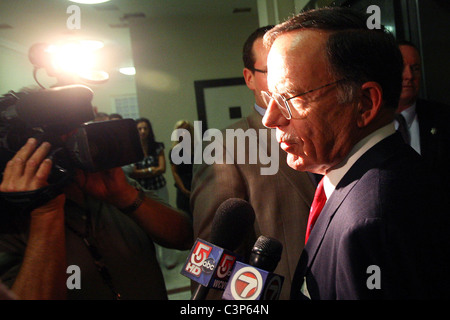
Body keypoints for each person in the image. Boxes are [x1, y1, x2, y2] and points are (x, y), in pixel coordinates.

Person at [261, 7, 449, 299]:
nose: (270, 118)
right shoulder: (356, 181)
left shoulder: (373, 219)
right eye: (270, 97)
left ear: (364, 103)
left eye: (289, 98)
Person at [190, 26, 316, 299]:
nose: (286, 77)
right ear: (249, 78)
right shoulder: (225, 148)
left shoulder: (327, 128)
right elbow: (214, 255)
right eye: (272, 69)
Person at [0, 138, 193, 299]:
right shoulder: (10, 224)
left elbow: (185, 237)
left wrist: (125, 196)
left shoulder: (109, 183)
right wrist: (45, 212)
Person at [396, 40, 450, 191]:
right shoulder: (370, 122)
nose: (409, 76)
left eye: (415, 68)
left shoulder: (443, 118)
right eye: (401, 68)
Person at [123, 118, 169, 202]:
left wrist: (142, 172)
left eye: (145, 128)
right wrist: (151, 170)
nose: (143, 131)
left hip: (159, 187)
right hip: (141, 190)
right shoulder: (131, 150)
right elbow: (133, 173)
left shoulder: (157, 147)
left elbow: (162, 168)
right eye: (139, 129)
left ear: (149, 130)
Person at [170, 120, 194, 218]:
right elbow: (175, 173)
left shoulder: (197, 148)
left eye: (186, 130)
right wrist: (183, 189)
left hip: (196, 183)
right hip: (183, 186)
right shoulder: (175, 150)